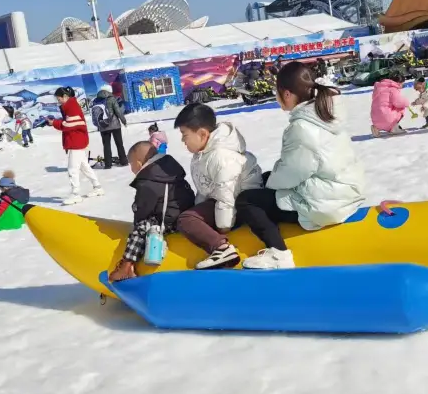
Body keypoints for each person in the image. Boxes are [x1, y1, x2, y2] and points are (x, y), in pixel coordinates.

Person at [235, 61, 366, 270]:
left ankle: (278, 253)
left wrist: (268, 185)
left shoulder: (302, 127)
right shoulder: (325, 114)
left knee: (247, 201)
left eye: (277, 93)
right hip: (344, 190)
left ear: (287, 94)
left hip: (326, 203)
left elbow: (293, 172)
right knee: (268, 179)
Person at [174, 103, 263, 270]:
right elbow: (204, 189)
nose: (182, 140)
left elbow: (226, 193)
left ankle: (222, 249)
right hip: (223, 201)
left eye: (184, 135)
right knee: (190, 216)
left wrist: (223, 227)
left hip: (241, 202)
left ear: (202, 134)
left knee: (186, 219)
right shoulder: (202, 154)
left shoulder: (220, 156)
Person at [108, 142, 195, 282]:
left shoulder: (148, 181)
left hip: (170, 220)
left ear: (138, 162)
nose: (131, 169)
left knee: (142, 228)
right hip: (185, 212)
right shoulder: (167, 170)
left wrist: (137, 222)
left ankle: (127, 265)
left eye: (131, 165)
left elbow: (143, 210)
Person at [50, 87, 103, 205]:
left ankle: (75, 194)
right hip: (77, 141)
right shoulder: (70, 106)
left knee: (72, 169)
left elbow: (69, 125)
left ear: (65, 96)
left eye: (59, 99)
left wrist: (54, 123)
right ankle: (97, 187)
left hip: (76, 142)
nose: (58, 101)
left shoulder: (72, 106)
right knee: (84, 167)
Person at [92, 84, 128, 169]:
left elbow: (95, 114)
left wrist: (98, 125)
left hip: (103, 126)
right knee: (119, 144)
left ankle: (108, 164)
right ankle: (123, 161)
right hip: (115, 125)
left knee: (106, 145)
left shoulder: (96, 100)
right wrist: (124, 121)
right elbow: (118, 111)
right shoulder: (112, 99)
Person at [370, 73, 411, 137]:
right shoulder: (393, 89)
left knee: (384, 108)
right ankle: (394, 127)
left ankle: (376, 128)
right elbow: (399, 102)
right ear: (399, 82)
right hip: (387, 119)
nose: (402, 86)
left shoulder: (379, 88)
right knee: (401, 108)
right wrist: (406, 102)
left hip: (375, 118)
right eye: (402, 84)